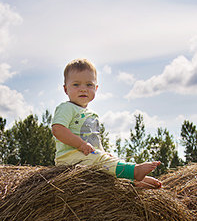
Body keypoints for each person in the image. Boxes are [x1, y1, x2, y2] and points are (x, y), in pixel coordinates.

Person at [52, 58, 162, 189]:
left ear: (96, 88)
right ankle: (134, 172)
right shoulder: (67, 108)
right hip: (69, 158)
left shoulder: (92, 114)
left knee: (107, 165)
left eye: (89, 85)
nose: (83, 89)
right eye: (76, 85)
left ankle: (133, 182)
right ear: (65, 89)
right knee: (101, 162)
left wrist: (101, 151)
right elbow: (58, 130)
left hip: (87, 157)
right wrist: (81, 145)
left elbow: (93, 140)